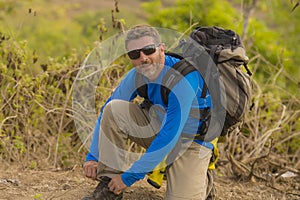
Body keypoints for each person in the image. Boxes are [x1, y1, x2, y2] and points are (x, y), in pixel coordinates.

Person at [82, 24, 215, 200]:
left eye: (148, 50)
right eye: (135, 54)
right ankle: (109, 186)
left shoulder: (183, 79)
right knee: (113, 109)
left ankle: (203, 177)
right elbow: (107, 109)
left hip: (191, 142)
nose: (143, 58)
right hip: (159, 128)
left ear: (162, 49)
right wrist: (92, 156)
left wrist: (129, 177)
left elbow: (169, 137)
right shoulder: (136, 75)